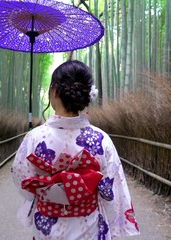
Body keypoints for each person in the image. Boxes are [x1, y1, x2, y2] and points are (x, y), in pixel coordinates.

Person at [11, 60, 139, 239]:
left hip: (47, 226)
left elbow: (21, 178)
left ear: (54, 92)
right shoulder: (101, 139)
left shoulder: (34, 137)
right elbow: (110, 190)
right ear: (86, 95)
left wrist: (48, 192)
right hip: (88, 226)